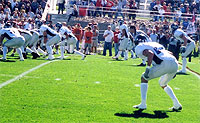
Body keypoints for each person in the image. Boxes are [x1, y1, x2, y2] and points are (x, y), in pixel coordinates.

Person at [133, 42, 182, 111]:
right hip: (174, 62)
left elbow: (150, 53)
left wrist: (148, 68)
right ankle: (176, 104)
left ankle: (143, 104)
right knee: (162, 83)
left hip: (165, 63)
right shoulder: (156, 44)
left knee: (144, 78)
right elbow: (170, 53)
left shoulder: (140, 48)